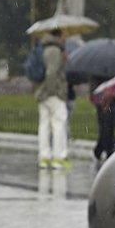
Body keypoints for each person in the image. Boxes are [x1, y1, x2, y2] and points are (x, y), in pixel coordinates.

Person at [35, 29, 69, 171]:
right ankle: (58, 158)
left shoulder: (42, 48)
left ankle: (44, 157)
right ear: (59, 36)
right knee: (59, 124)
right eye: (63, 37)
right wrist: (53, 91)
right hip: (53, 93)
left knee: (44, 125)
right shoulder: (54, 50)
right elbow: (52, 72)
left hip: (42, 93)